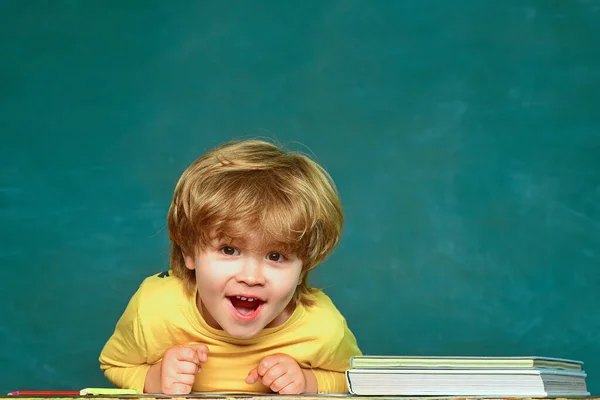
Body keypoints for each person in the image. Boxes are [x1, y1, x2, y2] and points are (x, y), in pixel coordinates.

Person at [99, 138, 361, 395]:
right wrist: (154, 379)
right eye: (229, 250)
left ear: (304, 265)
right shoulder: (155, 308)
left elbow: (353, 379)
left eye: (276, 256)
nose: (251, 277)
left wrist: (308, 381)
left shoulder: (323, 326)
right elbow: (115, 363)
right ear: (189, 251)